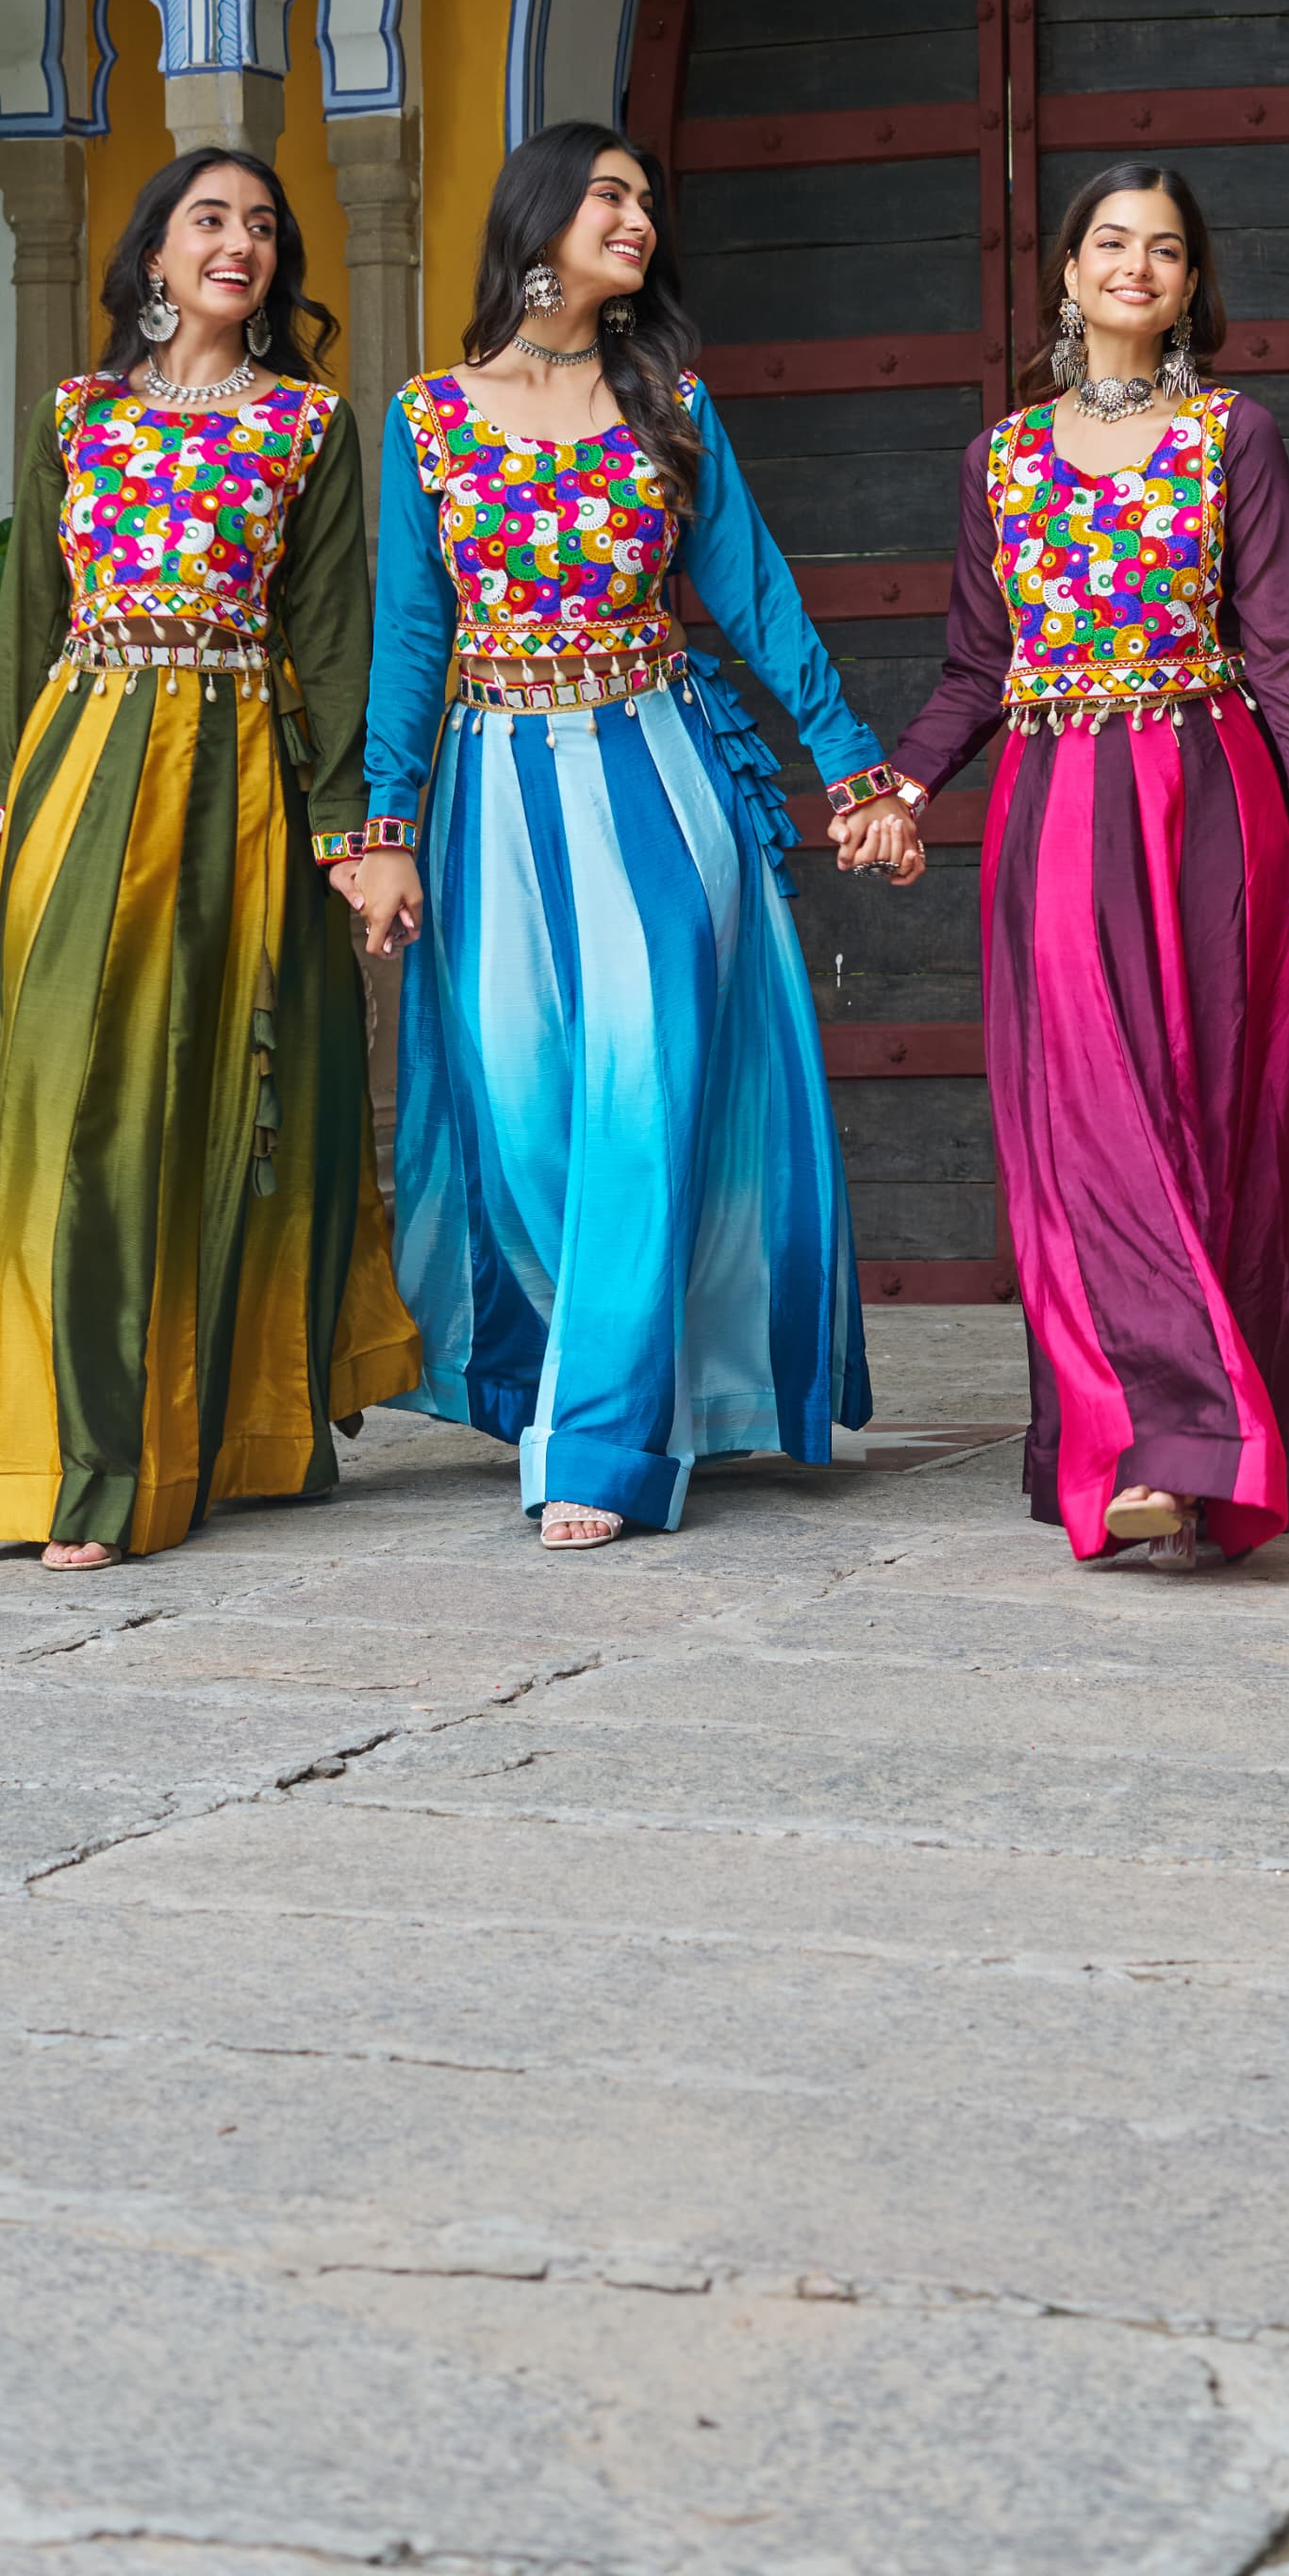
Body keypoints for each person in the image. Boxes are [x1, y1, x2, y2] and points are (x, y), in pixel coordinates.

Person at [341, 124, 923, 1547]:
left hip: (661, 783)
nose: (639, 221)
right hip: (491, 799)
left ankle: (599, 1443)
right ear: (536, 220)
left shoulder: (667, 403)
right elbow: (411, 642)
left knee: (640, 1098)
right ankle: (592, 1368)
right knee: (523, 1108)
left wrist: (856, 770)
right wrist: (387, 825)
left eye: (649, 203)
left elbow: (758, 593)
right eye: (610, 195)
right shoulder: (429, 416)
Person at [884, 162, 1289, 1570]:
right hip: (1053, 804)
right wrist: (897, 786)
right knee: (1088, 1123)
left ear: (1192, 286)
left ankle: (1206, 1443)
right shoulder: (998, 459)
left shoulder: (1231, 435)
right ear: (1065, 273)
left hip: (1212, 802)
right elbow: (972, 667)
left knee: (1216, 1110)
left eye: (1165, 249)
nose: (1134, 266)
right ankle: (1160, 1441)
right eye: (1109, 243)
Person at [0, 149, 419, 1569]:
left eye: (263, 226)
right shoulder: (75, 418)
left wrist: (358, 839)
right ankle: (85, 1458)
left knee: (236, 1118)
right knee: (78, 1113)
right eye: (209, 220)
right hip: (77, 782)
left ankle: (223, 1436)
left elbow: (335, 645)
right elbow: (25, 626)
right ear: (153, 253)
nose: (242, 244)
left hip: (242, 793)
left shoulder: (309, 427)